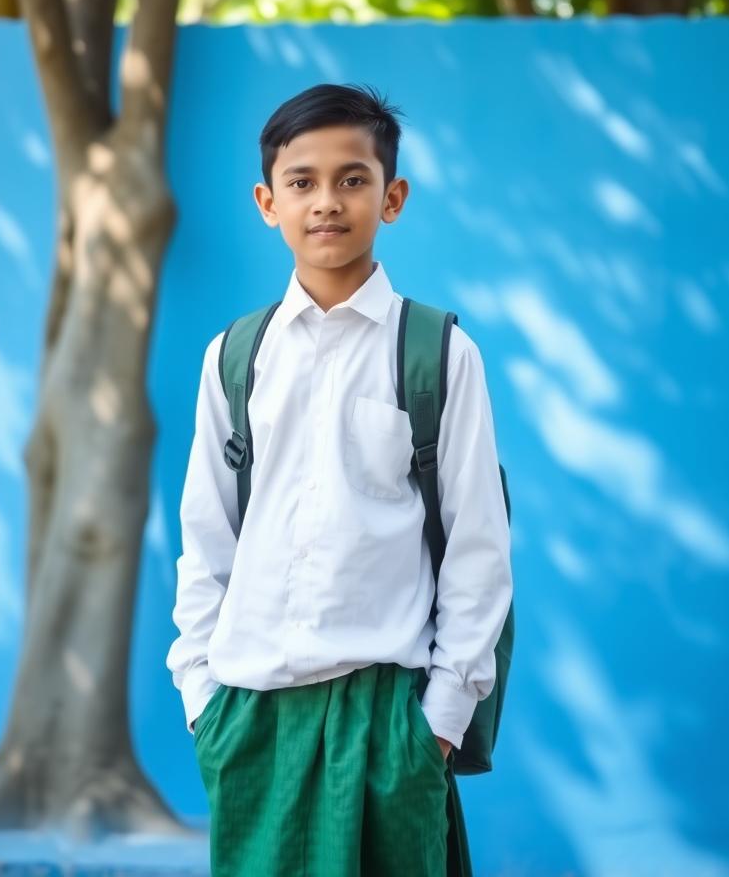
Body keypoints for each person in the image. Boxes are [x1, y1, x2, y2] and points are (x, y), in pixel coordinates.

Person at [165, 82, 513, 876]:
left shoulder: (438, 354)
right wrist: (202, 701)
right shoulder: (234, 357)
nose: (327, 201)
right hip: (249, 715)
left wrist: (439, 722)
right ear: (267, 201)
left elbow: (479, 548)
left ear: (392, 198)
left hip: (388, 714)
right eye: (302, 182)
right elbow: (206, 536)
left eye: (353, 179)